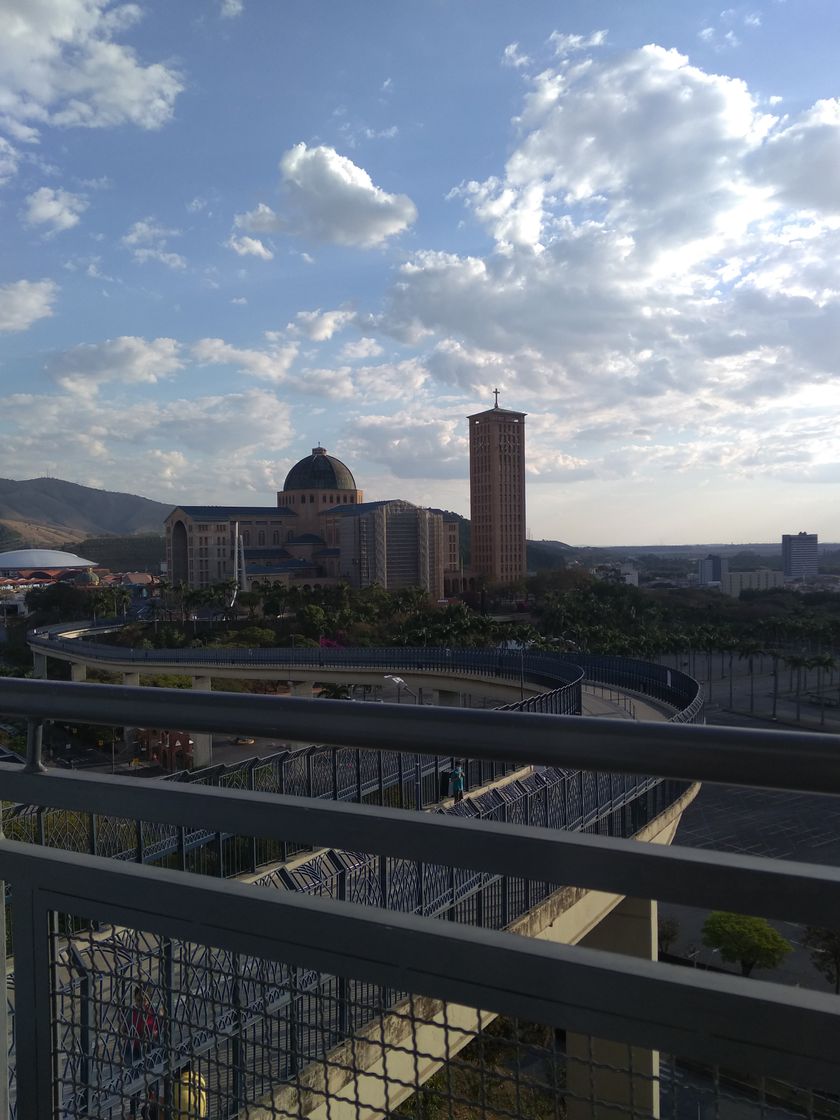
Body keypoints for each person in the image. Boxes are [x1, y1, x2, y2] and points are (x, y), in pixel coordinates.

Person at [123, 985, 160, 1064]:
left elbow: (163, 1030)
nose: (142, 1004)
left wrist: (155, 1033)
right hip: (135, 1050)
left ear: (149, 999)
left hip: (152, 1049)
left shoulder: (155, 1011)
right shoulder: (132, 1012)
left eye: (144, 1000)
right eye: (139, 1000)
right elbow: (123, 1030)